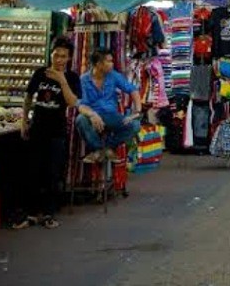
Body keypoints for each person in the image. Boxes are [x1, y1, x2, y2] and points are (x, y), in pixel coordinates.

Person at [14, 38, 82, 230]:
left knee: (53, 173)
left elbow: (72, 102)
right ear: (50, 53)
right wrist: (24, 121)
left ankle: (49, 213)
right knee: (33, 171)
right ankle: (31, 213)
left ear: (69, 58)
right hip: (37, 129)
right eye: (56, 54)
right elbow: (28, 97)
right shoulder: (40, 73)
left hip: (57, 132)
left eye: (63, 56)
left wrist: (62, 80)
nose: (59, 59)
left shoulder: (72, 78)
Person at [76, 50, 142, 162]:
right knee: (80, 119)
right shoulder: (84, 79)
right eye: (109, 61)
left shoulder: (114, 76)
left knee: (135, 125)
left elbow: (132, 90)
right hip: (93, 116)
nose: (112, 64)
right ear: (98, 64)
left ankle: (108, 147)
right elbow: (81, 105)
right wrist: (92, 115)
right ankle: (97, 149)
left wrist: (137, 111)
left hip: (111, 116)